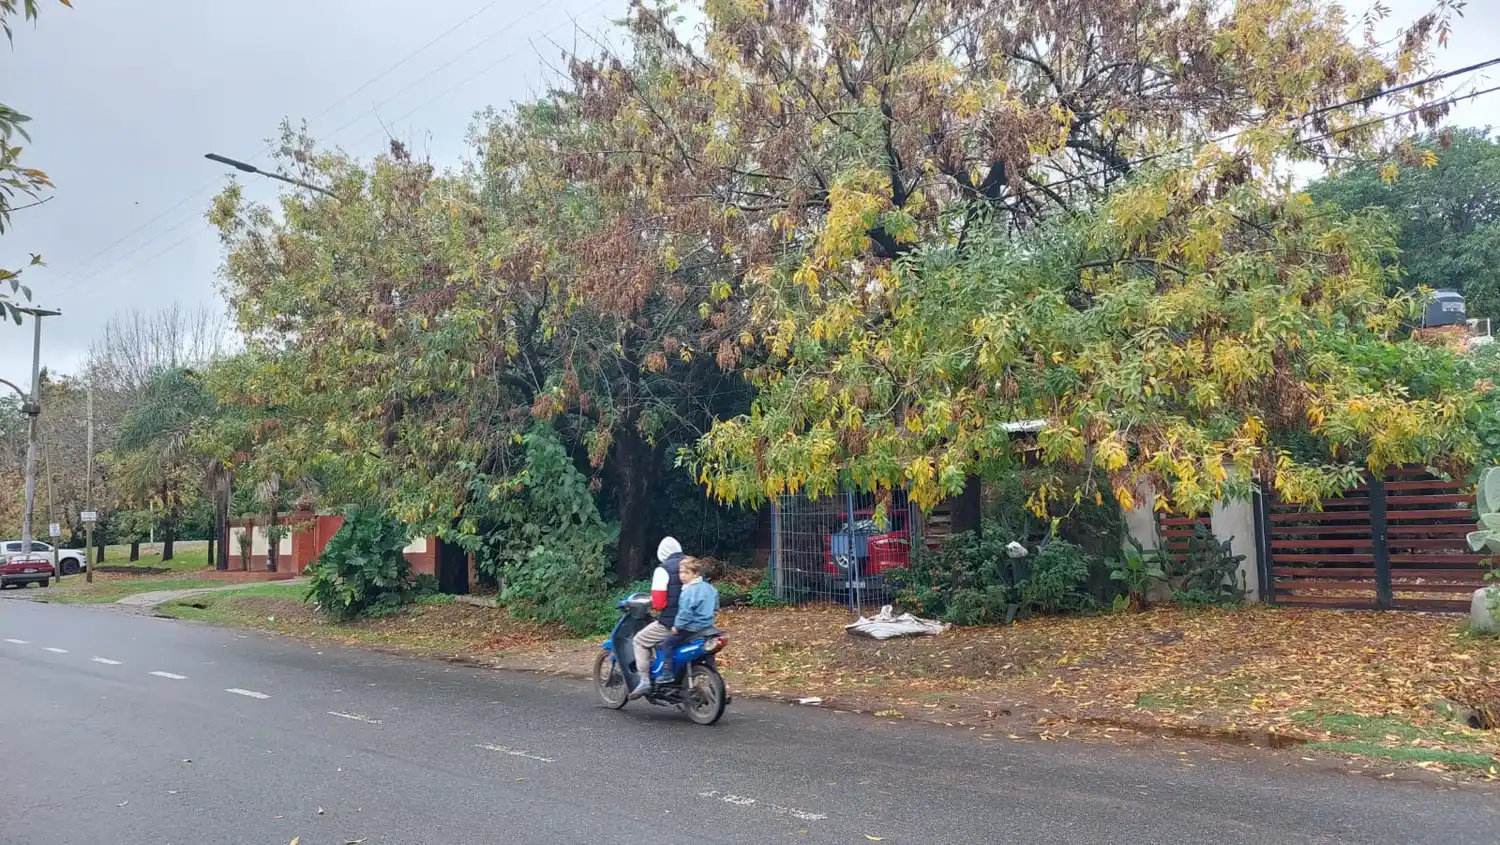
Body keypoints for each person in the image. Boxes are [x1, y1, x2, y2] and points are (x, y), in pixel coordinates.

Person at [630, 537, 685, 699]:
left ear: (662, 553)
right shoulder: (689, 564)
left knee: (639, 640)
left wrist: (653, 603)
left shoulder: (663, 569)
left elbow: (659, 603)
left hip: (671, 622)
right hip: (695, 622)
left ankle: (645, 680)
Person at [659, 556, 719, 680]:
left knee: (667, 643)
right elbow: (716, 607)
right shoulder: (710, 588)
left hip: (691, 629)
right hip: (708, 628)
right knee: (709, 657)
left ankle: (667, 673)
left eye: (686, 572)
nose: (682, 576)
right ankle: (716, 682)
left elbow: (685, 614)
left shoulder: (688, 592)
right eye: (680, 572)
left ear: (696, 573)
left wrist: (677, 627)